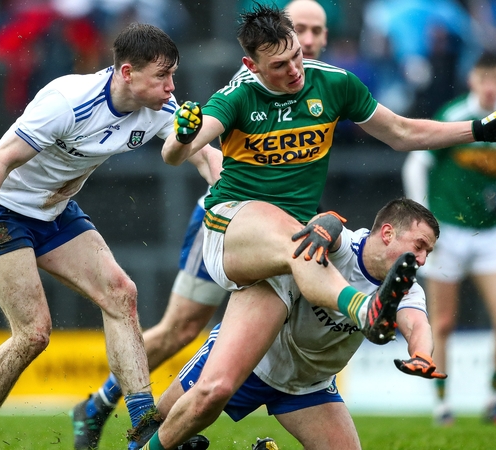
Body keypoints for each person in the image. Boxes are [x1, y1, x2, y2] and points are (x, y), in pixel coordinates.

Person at [134, 4, 496, 448]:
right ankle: (366, 310)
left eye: (296, 56)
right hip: (233, 227)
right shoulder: (237, 96)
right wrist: (184, 136)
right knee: (299, 242)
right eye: (279, 66)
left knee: (214, 391)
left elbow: (403, 133)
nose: (294, 70)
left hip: (292, 256)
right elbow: (172, 155)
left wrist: (480, 129)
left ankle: (146, 445)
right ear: (251, 66)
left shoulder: (334, 83)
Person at [0, 23, 221, 450]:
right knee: (34, 334)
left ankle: (143, 429)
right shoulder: (67, 101)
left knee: (122, 293)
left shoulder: (159, 108)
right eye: (162, 76)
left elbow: (206, 154)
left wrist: (226, 199)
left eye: (172, 75)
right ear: (126, 73)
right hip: (2, 212)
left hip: (55, 212)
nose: (171, 87)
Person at [70, 2, 328, 448]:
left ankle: (160, 427)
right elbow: (205, 152)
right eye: (298, 28)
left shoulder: (322, 83)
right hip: (229, 226)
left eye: (315, 30)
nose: (306, 38)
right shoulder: (252, 85)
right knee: (181, 328)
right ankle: (102, 405)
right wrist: (228, 206)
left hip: (277, 232)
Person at [155, 198, 445, 450]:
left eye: (428, 253)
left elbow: (417, 325)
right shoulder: (346, 249)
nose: (421, 259)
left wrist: (421, 355)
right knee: (159, 424)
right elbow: (327, 227)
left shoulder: (406, 288)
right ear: (387, 233)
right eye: (419, 246)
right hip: (253, 360)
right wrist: (326, 224)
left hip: (309, 387)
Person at [401, 51, 496, 426]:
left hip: (488, 232)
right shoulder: (455, 116)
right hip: (448, 233)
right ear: (472, 79)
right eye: (483, 77)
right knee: (442, 324)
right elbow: (417, 162)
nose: (490, 85)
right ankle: (442, 405)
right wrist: (421, 223)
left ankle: (494, 400)